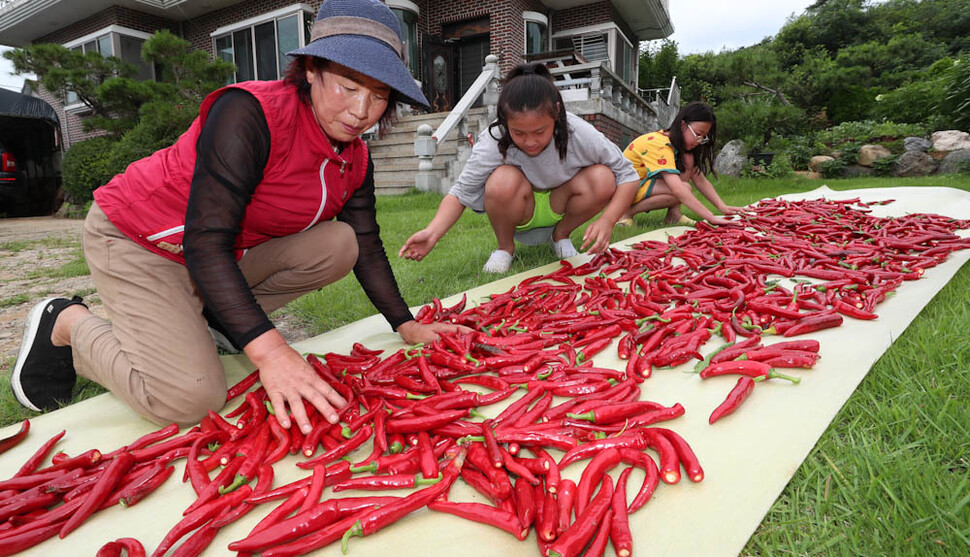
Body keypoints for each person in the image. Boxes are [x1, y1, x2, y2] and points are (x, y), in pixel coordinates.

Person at [10, 0, 466, 436]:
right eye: (347, 86)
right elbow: (204, 241)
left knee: (341, 242)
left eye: (379, 95)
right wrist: (270, 351)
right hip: (141, 241)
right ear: (311, 70)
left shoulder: (355, 157)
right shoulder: (249, 114)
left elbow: (365, 243)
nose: (361, 111)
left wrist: (406, 324)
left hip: (219, 255)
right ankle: (67, 322)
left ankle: (214, 323)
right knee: (191, 401)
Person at [399, 63, 640, 273]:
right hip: (520, 211)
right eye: (519, 133)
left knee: (604, 177)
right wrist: (432, 233)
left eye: (540, 132)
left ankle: (561, 236)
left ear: (556, 113)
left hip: (560, 204)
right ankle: (505, 248)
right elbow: (461, 193)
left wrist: (608, 220)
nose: (531, 142)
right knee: (503, 179)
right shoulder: (493, 139)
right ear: (504, 122)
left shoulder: (578, 131)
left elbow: (627, 175)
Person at [618, 101, 742, 227]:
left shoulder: (677, 146)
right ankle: (625, 213)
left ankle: (674, 215)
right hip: (624, 190)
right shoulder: (659, 145)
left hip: (641, 184)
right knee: (684, 188)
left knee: (687, 160)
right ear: (683, 125)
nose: (699, 141)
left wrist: (722, 206)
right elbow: (677, 189)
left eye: (703, 137)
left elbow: (699, 179)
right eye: (698, 134)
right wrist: (710, 217)